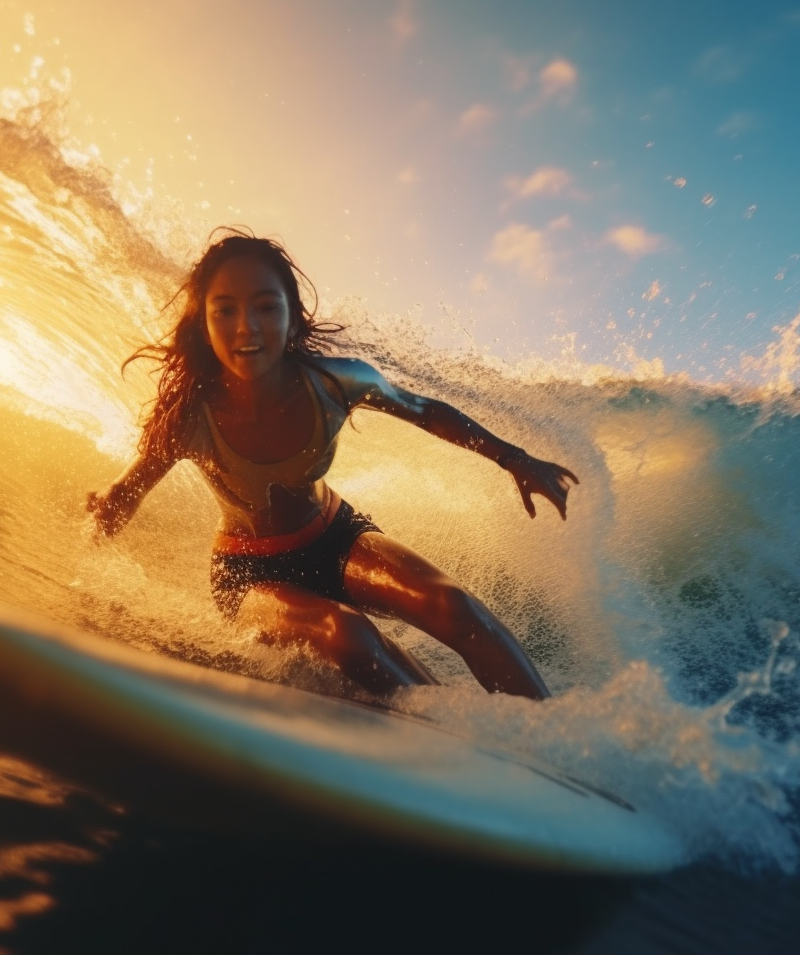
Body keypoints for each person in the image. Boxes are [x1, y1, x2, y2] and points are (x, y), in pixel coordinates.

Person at [87, 229, 578, 700]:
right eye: (225, 310)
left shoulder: (334, 383)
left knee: (453, 606)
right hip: (249, 576)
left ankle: (559, 743)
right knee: (346, 633)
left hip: (337, 536)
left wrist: (514, 460)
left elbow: (425, 410)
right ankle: (456, 741)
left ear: (292, 318)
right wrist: (98, 523)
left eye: (265, 306)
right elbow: (129, 489)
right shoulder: (190, 419)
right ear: (204, 324)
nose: (246, 327)